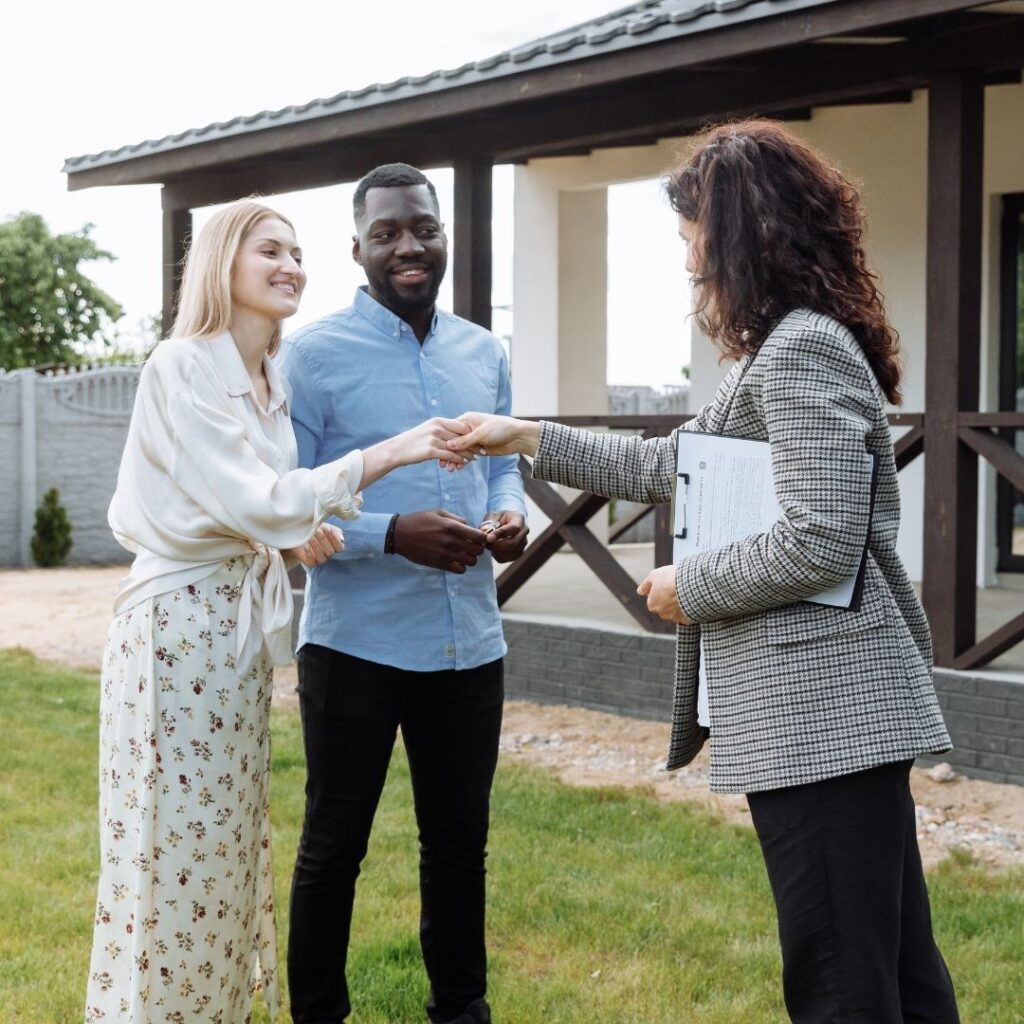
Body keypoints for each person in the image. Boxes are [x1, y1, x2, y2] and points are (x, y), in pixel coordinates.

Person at [448, 120, 960, 1024]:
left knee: (842, 983)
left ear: (745, 232)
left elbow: (821, 537)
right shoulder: (780, 350)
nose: (689, 257)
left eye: (695, 233)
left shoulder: (801, 349)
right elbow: (667, 468)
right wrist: (526, 436)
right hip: (825, 722)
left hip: (824, 718)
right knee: (898, 980)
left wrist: (691, 587)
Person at [84, 199, 472, 1024]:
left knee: (225, 855)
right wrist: (393, 451)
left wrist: (299, 536)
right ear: (224, 262)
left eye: (298, 252)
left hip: (234, 640)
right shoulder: (180, 365)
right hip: (176, 634)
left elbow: (261, 509)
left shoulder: (270, 377)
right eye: (270, 250)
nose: (291, 265)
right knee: (168, 852)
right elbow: (256, 497)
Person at [280, 163, 527, 1024]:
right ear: (358, 249)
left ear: (444, 235)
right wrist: (394, 533)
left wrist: (507, 515)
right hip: (355, 645)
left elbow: (503, 465)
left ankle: (461, 1011)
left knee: (460, 848)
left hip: (471, 646)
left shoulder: (482, 350)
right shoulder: (308, 358)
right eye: (386, 234)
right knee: (332, 847)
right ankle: (319, 1015)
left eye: (421, 227)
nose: (408, 246)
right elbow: (287, 507)